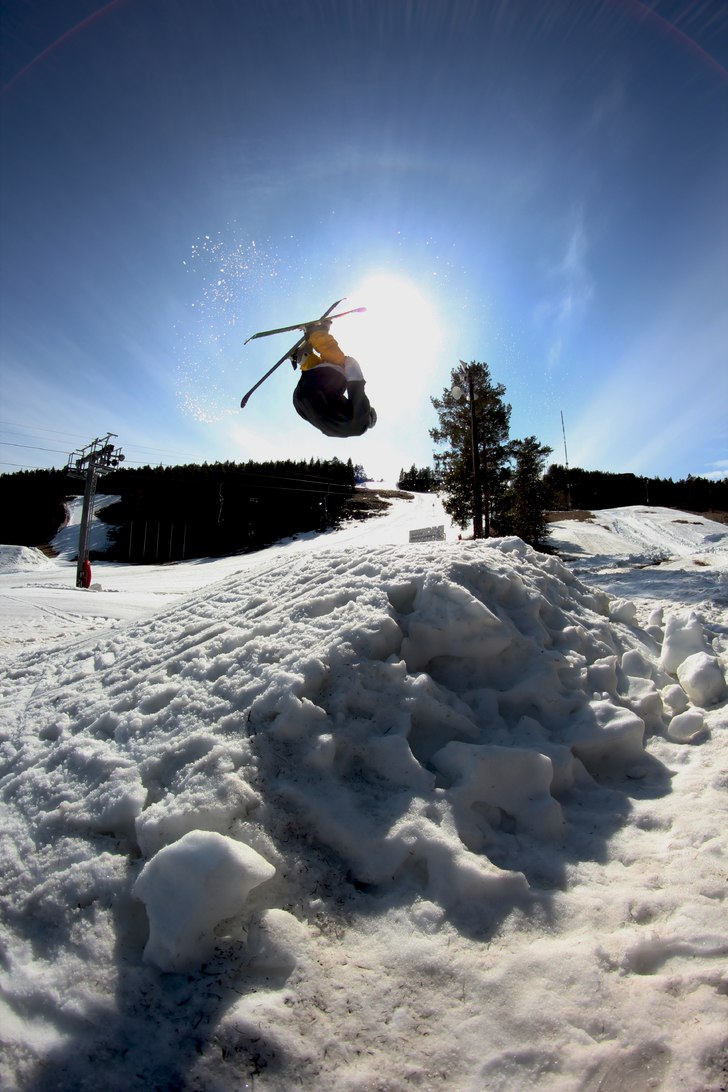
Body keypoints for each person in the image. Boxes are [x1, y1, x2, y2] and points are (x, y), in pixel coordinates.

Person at [291, 321, 377, 438]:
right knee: (327, 381)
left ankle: (316, 332)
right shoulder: (343, 429)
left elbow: (356, 385)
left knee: (339, 366)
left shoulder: (362, 417)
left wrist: (348, 362)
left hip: (314, 394)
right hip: (301, 401)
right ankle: (302, 357)